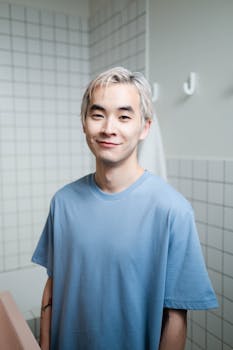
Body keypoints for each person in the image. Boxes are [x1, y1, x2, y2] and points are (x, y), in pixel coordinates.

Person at [32, 67, 218, 350]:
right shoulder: (63, 203)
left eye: (124, 116)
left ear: (144, 127)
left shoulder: (172, 210)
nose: (109, 128)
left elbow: (175, 319)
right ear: (84, 123)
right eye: (98, 114)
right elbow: (53, 286)